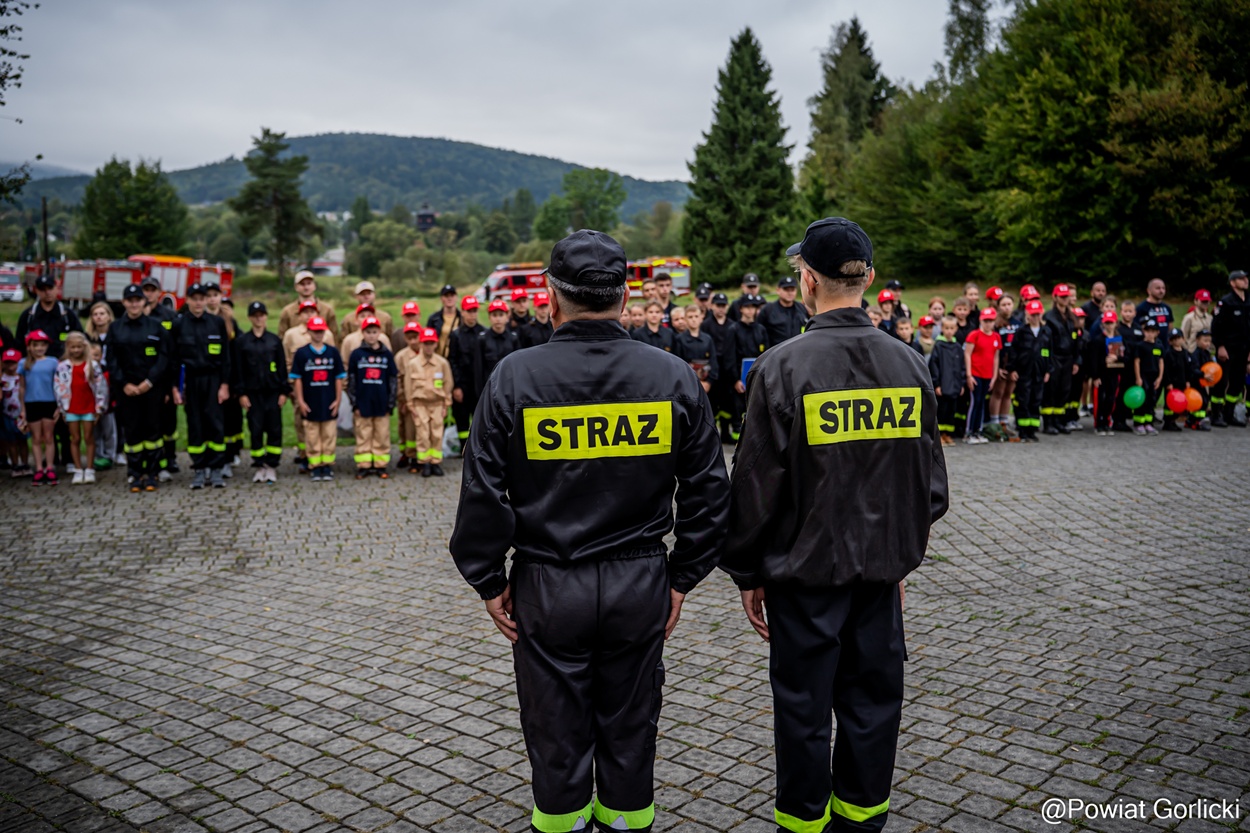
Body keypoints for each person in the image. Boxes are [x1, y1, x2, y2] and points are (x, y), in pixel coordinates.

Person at [450, 229, 729, 833]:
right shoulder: (674, 376)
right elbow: (710, 494)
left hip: (548, 586)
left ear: (552, 298)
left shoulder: (513, 378)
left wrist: (488, 580)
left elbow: (481, 493)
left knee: (556, 732)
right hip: (639, 583)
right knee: (630, 730)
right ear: (625, 299)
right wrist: (680, 578)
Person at [721, 217, 947, 833]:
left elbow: (755, 489)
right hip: (879, 580)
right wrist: (896, 553)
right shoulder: (910, 364)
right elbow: (930, 488)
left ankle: (802, 824)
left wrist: (746, 571)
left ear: (808, 280)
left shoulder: (781, 368)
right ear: (868, 279)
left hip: (804, 580)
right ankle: (862, 822)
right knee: (873, 708)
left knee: (803, 711)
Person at [108, 284, 171, 492]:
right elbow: (111, 360)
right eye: (130, 300)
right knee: (132, 432)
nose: (134, 304)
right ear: (124, 302)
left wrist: (149, 382)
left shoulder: (156, 326)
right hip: (126, 390)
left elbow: (164, 357)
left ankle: (152, 473)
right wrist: (124, 384)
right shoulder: (115, 328)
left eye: (138, 300)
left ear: (144, 302)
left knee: (153, 431)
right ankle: (135, 473)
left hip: (151, 388)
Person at [171, 283, 232, 488]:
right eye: (194, 299)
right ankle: (199, 469)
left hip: (213, 380)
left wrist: (224, 385)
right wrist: (175, 387)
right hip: (191, 381)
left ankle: (216, 469)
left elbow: (225, 357)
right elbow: (173, 359)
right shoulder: (178, 324)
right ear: (187, 300)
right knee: (195, 425)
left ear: (206, 300)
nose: (198, 303)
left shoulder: (217, 323)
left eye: (201, 299)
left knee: (215, 423)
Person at [234, 301, 290, 483]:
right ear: (250, 318)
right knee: (255, 429)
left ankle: (272, 465)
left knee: (274, 429)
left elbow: (282, 368)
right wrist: (241, 393)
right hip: (252, 394)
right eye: (255, 316)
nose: (258, 319)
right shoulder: (242, 342)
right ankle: (259, 465)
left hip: (272, 392)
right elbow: (238, 369)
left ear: (266, 317)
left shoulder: (274, 341)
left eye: (261, 315)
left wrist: (283, 392)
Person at [283, 299, 338, 472]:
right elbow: (287, 361)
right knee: (303, 424)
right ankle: (305, 456)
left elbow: (333, 367)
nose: (308, 315)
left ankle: (323, 461)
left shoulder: (328, 336)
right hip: (302, 388)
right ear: (299, 315)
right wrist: (292, 386)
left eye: (312, 311)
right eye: (305, 312)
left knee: (325, 428)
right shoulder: (291, 335)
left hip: (324, 389)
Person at [290, 316, 345, 481]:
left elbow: (338, 378)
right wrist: (300, 401)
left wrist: (338, 400)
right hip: (310, 401)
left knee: (329, 434)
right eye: (315, 331)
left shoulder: (333, 352)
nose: (318, 334)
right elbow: (297, 379)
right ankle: (314, 466)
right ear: (309, 332)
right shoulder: (302, 353)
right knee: (312, 435)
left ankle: (326, 465)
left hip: (329, 400)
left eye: (321, 331)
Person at [346, 317, 397, 478]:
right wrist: (354, 403)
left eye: (374, 332)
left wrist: (391, 403)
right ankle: (364, 465)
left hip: (382, 402)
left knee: (381, 435)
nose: (371, 335)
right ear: (363, 333)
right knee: (363, 434)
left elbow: (392, 380)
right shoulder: (356, 354)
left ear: (379, 333)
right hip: (363, 403)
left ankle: (380, 465)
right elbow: (351, 380)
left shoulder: (386, 355)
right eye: (368, 332)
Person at [53, 332, 107, 484]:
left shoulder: (92, 365)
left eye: (79, 347)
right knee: (75, 438)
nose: (76, 350)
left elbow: (101, 386)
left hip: (88, 406)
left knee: (89, 437)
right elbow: (58, 387)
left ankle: (89, 469)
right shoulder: (63, 366)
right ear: (67, 348)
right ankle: (77, 469)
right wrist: (62, 408)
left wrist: (99, 407)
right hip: (71, 407)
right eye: (73, 347)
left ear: (84, 347)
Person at [141, 277, 180, 478]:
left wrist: (173, 384)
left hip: (166, 376)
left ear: (159, 293)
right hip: (144, 379)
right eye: (145, 290)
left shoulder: (169, 316)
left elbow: (174, 350)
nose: (148, 294)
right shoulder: (135, 317)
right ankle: (154, 461)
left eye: (152, 290)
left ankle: (170, 458)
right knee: (150, 423)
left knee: (169, 422)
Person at [404, 327, 453, 477]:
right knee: (423, 434)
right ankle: (424, 462)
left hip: (437, 404)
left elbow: (448, 383)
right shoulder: (413, 364)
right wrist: (410, 405)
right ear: (420, 344)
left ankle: (435, 462)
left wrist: (446, 404)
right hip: (420, 404)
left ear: (436, 344)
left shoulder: (442, 363)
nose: (428, 347)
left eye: (431, 343)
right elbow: (408, 386)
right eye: (425, 343)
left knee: (437, 433)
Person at [204, 283, 243, 475]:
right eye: (208, 295)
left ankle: (229, 456)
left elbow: (236, 350)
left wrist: (235, 381)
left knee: (229, 419)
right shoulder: (198, 320)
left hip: (228, 377)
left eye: (215, 295)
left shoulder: (229, 320)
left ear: (221, 296)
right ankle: (209, 459)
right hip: (206, 377)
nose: (212, 299)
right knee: (208, 419)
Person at [18, 330, 60, 485]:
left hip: (49, 402)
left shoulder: (53, 362)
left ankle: (50, 467)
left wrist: (59, 406)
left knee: (48, 437)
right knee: (36, 438)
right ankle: (39, 468)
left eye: (43, 345)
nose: (39, 348)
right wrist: (22, 409)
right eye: (35, 345)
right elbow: (21, 387)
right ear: (29, 346)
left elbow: (59, 385)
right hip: (32, 403)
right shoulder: (23, 363)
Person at [1210, 269, 1249, 427]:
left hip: (1243, 349)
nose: (1245, 281)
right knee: (1222, 381)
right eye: (1241, 279)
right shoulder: (1225, 302)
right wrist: (1220, 346)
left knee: (1238, 382)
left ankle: (1229, 413)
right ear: (1233, 283)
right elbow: (1216, 326)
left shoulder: (1248, 300)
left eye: (1246, 278)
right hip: (1227, 348)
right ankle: (1215, 414)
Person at [1042, 284, 1081, 434]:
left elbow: (1076, 340)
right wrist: (1048, 362)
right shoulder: (1049, 317)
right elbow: (1046, 341)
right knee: (1051, 390)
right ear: (1055, 297)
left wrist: (1076, 360)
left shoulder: (1072, 317)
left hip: (1068, 358)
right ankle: (1048, 422)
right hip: (1055, 357)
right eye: (1062, 297)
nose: (1065, 299)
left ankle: (1059, 420)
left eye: (1067, 296)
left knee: (1064, 390)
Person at [1011, 300, 1052, 442]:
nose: (1035, 317)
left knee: (1036, 400)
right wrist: (1013, 369)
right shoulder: (1021, 332)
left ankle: (1032, 430)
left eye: (1037, 314)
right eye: (1032, 315)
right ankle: (1023, 430)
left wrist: (1048, 370)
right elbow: (1014, 351)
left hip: (1039, 372)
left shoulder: (1046, 332)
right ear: (1027, 315)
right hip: (1024, 372)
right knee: (1024, 400)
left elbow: (1049, 352)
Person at [15, 275, 82, 359]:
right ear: (37, 291)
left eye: (50, 288)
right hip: (34, 363)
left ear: (56, 288)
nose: (47, 292)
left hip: (62, 362)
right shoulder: (29, 316)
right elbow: (19, 342)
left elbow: (80, 338)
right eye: (43, 289)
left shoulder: (67, 315)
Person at [448, 296, 485, 450]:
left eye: (474, 311)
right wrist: (456, 386)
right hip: (462, 385)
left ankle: (479, 449)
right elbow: (452, 361)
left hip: (480, 385)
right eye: (469, 311)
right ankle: (464, 448)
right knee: (462, 419)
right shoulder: (456, 335)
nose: (472, 314)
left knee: (480, 418)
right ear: (462, 312)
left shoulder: (484, 333)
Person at [703, 292, 739, 441]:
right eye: (718, 305)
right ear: (712, 306)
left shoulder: (733, 325)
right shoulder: (706, 325)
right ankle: (711, 435)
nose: (721, 308)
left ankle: (725, 432)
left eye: (723, 305)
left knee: (727, 404)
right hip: (712, 369)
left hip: (728, 370)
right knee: (712, 403)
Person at [731, 295, 767, 440]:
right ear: (741, 309)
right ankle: (738, 440)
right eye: (747, 307)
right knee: (739, 410)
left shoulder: (761, 329)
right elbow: (730, 357)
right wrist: (735, 379)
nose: (750, 310)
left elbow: (766, 354)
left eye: (753, 307)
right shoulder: (733, 329)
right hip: (739, 380)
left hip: (757, 377)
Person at [963, 308, 1002, 444]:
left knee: (982, 403)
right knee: (975, 402)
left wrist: (994, 376)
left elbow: (996, 358)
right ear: (981, 320)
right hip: (976, 374)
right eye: (986, 321)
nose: (988, 324)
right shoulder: (974, 335)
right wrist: (969, 375)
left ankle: (978, 431)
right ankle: (969, 432)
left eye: (990, 321)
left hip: (988, 375)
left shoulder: (996, 337)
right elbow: (967, 354)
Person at [1088, 310, 1127, 435]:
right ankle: (1098, 423)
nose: (1109, 325)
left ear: (1116, 323)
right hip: (1101, 374)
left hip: (1114, 374)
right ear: (1103, 324)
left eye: (1111, 323)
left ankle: (1107, 421)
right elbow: (1093, 359)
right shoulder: (1098, 340)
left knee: (1111, 398)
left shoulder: (1119, 339)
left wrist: (1117, 358)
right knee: (1100, 399)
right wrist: (1095, 376)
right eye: (1107, 323)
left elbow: (1126, 357)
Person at [473, 299, 520, 400]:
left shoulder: (513, 338)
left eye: (501, 315)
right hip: (489, 388)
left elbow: (517, 367)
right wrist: (480, 394)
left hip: (509, 388)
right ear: (489, 317)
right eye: (494, 315)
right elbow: (478, 369)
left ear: (507, 317)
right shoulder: (482, 339)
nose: (498, 319)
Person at [929, 316, 965, 447]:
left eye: (952, 328)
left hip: (955, 386)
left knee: (951, 411)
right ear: (942, 329)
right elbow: (934, 366)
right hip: (943, 386)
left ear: (956, 329)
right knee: (942, 411)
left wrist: (961, 384)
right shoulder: (938, 346)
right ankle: (939, 435)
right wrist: (937, 384)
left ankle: (948, 434)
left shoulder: (957, 346)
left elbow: (961, 367)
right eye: (946, 328)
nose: (949, 331)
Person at [393, 323, 422, 469]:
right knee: (406, 428)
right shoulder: (401, 357)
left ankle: (421, 455)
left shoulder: (427, 352)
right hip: (407, 399)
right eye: (410, 338)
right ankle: (408, 454)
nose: (413, 341)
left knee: (422, 429)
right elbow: (398, 380)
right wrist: (403, 400)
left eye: (416, 337)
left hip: (424, 399)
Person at [278, 270, 338, 337]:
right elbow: (282, 337)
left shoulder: (327, 310)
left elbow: (334, 335)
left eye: (309, 283)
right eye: (302, 284)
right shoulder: (287, 312)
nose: (306, 287)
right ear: (296, 287)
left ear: (314, 286)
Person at [674, 302, 717, 395]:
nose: (693, 319)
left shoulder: (707, 339)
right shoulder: (679, 339)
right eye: (690, 317)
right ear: (685, 319)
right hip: (687, 384)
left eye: (696, 316)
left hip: (707, 385)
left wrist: (709, 382)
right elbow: (678, 364)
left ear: (701, 318)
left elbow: (713, 362)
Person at [759, 275, 809, 348]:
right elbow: (759, 331)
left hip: (797, 350)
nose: (790, 293)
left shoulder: (801, 308)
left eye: (792, 289)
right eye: (786, 289)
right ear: (778, 290)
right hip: (775, 352)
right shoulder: (768, 310)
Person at [1132, 320, 1164, 435]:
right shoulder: (1140, 346)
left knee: (1151, 399)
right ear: (1144, 331)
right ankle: (1138, 423)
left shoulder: (1159, 346)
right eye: (1148, 331)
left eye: (1153, 331)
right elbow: (1137, 362)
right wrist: (1138, 377)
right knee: (1142, 399)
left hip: (1154, 376)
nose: (1150, 334)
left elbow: (1161, 362)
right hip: (1143, 375)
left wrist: (1160, 377)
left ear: (1157, 333)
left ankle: (1148, 423)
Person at [1, 349, 30, 476]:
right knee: (11, 441)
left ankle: (25, 464)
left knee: (23, 440)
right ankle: (15, 465)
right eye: (7, 362)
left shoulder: (23, 377)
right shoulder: (2, 378)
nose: (10, 366)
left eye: (13, 363)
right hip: (7, 414)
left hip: (22, 414)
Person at [1160, 328, 1191, 433]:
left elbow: (1187, 368)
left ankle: (1174, 420)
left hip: (1182, 382)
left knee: (1179, 402)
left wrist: (1187, 381)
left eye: (1178, 338)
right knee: (1170, 403)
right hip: (1172, 384)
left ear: (1183, 339)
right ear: (1170, 341)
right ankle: (1168, 421)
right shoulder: (1168, 353)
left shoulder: (1185, 353)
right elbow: (1166, 370)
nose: (1176, 341)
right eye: (1173, 339)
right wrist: (1168, 383)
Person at [1189, 329, 1215, 430]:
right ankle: (1195, 420)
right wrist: (1203, 375)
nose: (1207, 343)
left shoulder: (1207, 354)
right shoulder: (1195, 354)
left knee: (1205, 400)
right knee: (1198, 401)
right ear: (1197, 340)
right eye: (1205, 341)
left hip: (1203, 382)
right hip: (1196, 382)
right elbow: (1194, 369)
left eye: (1209, 341)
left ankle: (1199, 419)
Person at [425, 285, 461, 357]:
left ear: (456, 297)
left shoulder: (462, 318)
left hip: (457, 359)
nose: (449, 298)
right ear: (441, 298)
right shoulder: (434, 319)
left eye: (452, 295)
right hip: (438, 357)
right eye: (446, 296)